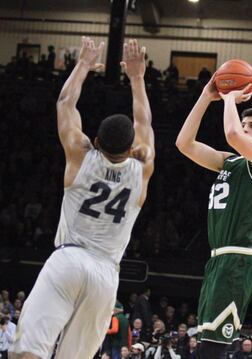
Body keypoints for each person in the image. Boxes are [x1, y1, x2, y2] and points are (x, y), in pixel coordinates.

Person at [9, 37, 155, 359]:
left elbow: (64, 103)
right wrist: (137, 77)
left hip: (69, 259)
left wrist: (84, 64)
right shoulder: (141, 168)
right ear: (131, 150)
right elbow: (144, 121)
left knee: (27, 352)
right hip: (106, 275)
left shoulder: (81, 155)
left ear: (97, 140)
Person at [176, 74, 252, 359]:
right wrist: (206, 97)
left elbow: (232, 135)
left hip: (238, 258)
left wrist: (230, 96)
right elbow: (184, 144)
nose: (245, 128)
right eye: (243, 123)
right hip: (218, 258)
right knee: (207, 343)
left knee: (213, 349)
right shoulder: (228, 162)